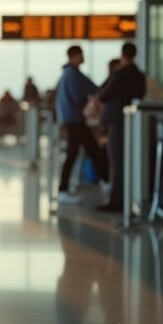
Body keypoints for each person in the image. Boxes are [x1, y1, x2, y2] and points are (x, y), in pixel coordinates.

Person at [94, 42, 146, 213]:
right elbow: (140, 94)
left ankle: (116, 200)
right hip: (133, 121)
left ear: (122, 54)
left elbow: (103, 94)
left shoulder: (119, 74)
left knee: (116, 161)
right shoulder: (139, 75)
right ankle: (128, 197)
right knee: (128, 159)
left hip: (117, 121)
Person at [55, 46, 107, 205]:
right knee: (81, 151)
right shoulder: (74, 75)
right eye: (81, 55)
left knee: (89, 150)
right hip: (75, 119)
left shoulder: (66, 74)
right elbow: (93, 90)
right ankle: (63, 190)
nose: (83, 57)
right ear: (74, 56)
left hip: (71, 119)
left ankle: (105, 180)